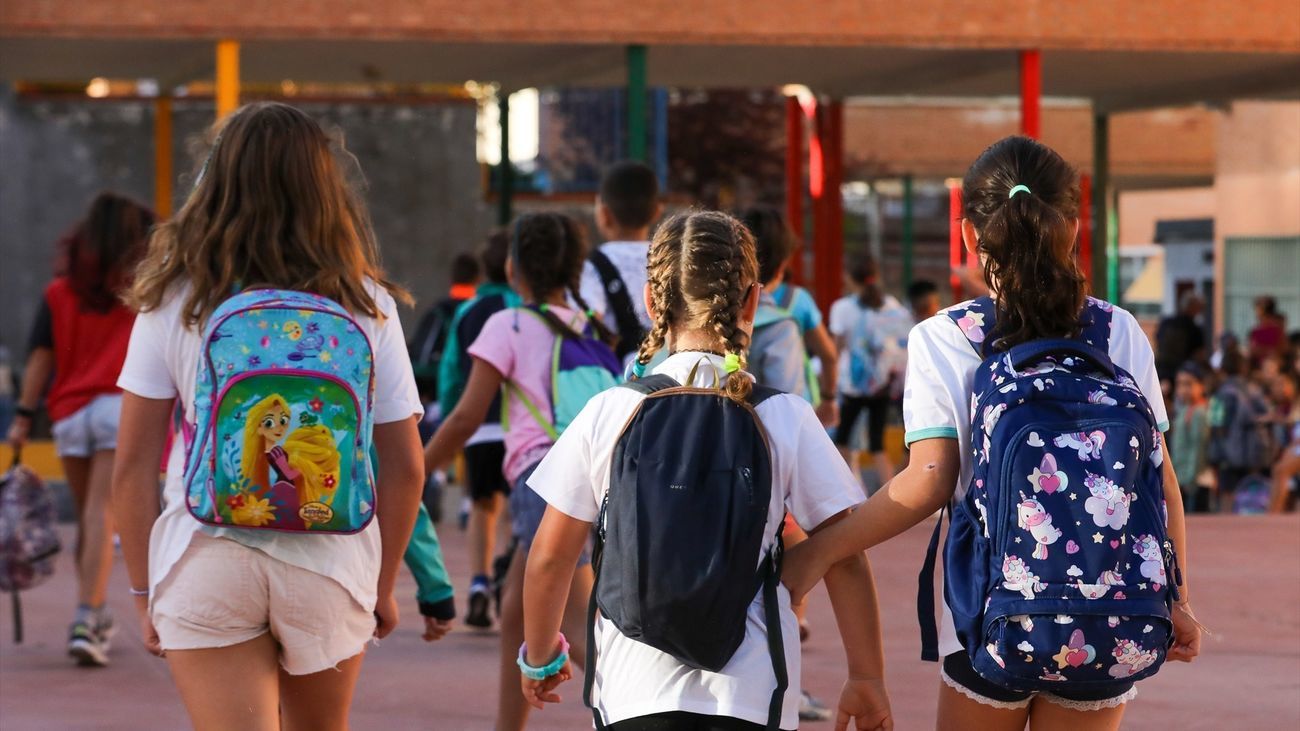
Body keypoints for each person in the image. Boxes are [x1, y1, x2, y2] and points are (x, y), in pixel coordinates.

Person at [783, 136, 1201, 731]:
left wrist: (818, 554)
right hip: (1111, 614)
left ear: (969, 237)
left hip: (991, 612)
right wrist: (1176, 598)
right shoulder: (1118, 330)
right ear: (1073, 230)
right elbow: (1161, 483)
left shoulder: (944, 337)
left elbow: (929, 481)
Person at [110, 102, 430, 730]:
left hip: (204, 554)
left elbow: (132, 467)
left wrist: (146, 590)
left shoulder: (174, 299)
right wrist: (383, 583)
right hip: (330, 557)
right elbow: (406, 467)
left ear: (215, 185)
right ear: (325, 191)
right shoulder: (367, 303)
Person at [519, 211, 893, 731]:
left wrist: (540, 657)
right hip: (752, 691)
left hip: (631, 692)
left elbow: (549, 558)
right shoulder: (782, 415)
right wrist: (866, 677)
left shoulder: (610, 410)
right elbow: (844, 554)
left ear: (652, 303)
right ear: (753, 302)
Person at [424, 212, 616, 731]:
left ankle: (646, 709)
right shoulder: (591, 325)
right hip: (597, 477)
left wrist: (417, 471)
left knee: (577, 625)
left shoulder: (507, 325)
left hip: (545, 482)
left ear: (514, 267)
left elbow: (465, 417)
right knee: (518, 610)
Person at [7, 192, 155, 667]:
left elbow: (41, 355)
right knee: (100, 516)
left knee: (92, 520)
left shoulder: (59, 292)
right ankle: (88, 617)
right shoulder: (144, 290)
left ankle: (93, 611)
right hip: (120, 406)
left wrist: (24, 417)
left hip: (70, 413)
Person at [436, 231, 521, 629]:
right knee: (514, 511)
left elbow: (452, 369)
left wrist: (453, 419)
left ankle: (478, 582)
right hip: (521, 429)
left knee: (482, 506)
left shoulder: (468, 310)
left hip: (480, 426)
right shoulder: (524, 308)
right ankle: (509, 572)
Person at [741, 205, 839, 427]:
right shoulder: (798, 301)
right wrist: (829, 398)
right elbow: (829, 355)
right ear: (782, 266)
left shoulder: (721, 306)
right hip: (782, 422)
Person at [829, 254, 914, 486]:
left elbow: (836, 349)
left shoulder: (842, 308)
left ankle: (846, 490)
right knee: (877, 444)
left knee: (842, 439)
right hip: (882, 383)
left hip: (853, 384)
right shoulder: (891, 304)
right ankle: (891, 492)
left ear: (849, 277)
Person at [579, 160, 663, 365]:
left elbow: (588, 321)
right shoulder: (669, 258)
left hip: (618, 375)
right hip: (671, 372)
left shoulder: (593, 266)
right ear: (657, 212)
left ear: (604, 214)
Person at [1207, 348, 1274, 513]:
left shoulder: (1221, 394)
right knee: (1252, 499)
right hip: (1256, 455)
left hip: (1229, 457)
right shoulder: (1256, 391)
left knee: (1228, 499)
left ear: (1223, 370)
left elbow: (1215, 424)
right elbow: (1269, 417)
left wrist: (1214, 456)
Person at [409, 251, 481, 403]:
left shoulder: (439, 311)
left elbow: (421, 362)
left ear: (452, 278)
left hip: (438, 396)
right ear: (478, 278)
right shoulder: (482, 311)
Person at [1170, 364, 1212, 513]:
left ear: (1202, 386)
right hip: (1182, 478)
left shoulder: (1199, 412)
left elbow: (1198, 447)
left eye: (1188, 384)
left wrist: (1190, 478)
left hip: (1193, 481)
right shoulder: (1184, 410)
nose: (1183, 389)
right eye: (1179, 384)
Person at [1155, 292, 1206, 385]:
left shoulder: (1166, 323)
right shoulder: (1194, 329)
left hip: (1161, 372)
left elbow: (1157, 344)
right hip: (1183, 376)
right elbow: (1200, 355)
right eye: (1199, 308)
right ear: (1193, 308)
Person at [1248, 296, 1287, 368]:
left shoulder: (1277, 330)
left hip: (1273, 367)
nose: (1256, 313)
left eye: (1257, 309)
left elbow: (1282, 349)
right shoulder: (1256, 331)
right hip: (1259, 367)